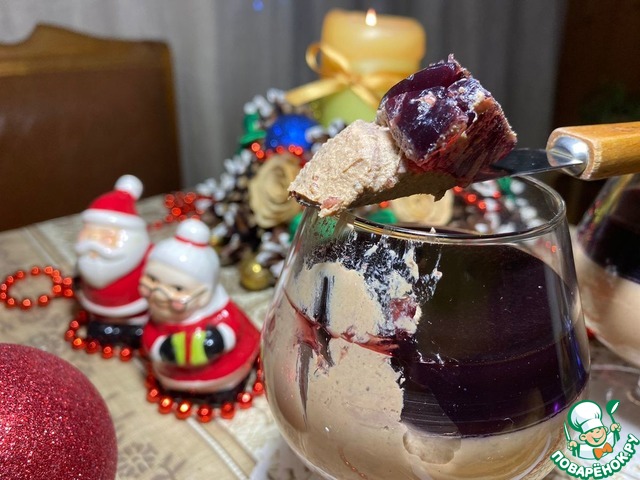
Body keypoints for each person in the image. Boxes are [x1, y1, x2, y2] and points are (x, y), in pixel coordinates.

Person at [141, 218, 260, 400]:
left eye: (178, 288)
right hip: (173, 371)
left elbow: (232, 327)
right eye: (152, 279)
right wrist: (162, 349)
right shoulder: (159, 317)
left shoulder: (220, 310)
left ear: (204, 294)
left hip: (219, 368)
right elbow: (151, 335)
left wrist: (218, 339)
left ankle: (224, 390)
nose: (159, 293)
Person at [75, 175, 151, 347]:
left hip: (137, 313)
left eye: (106, 237)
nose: (94, 244)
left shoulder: (147, 257)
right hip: (96, 312)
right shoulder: (85, 260)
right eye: (89, 234)